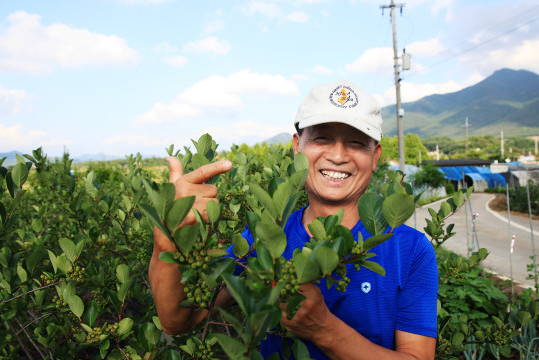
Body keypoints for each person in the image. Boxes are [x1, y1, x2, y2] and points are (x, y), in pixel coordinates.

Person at [149, 80, 438, 360]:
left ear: (375, 157)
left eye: (356, 142)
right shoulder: (265, 237)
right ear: (297, 147)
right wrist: (168, 238)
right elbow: (180, 321)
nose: (338, 155)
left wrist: (325, 330)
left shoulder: (411, 251)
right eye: (322, 138)